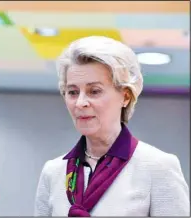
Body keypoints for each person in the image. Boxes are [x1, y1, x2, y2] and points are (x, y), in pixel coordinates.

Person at [34, 36, 190, 216]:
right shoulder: (53, 172)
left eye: (94, 91)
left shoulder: (158, 167)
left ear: (125, 96)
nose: (80, 102)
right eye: (73, 92)